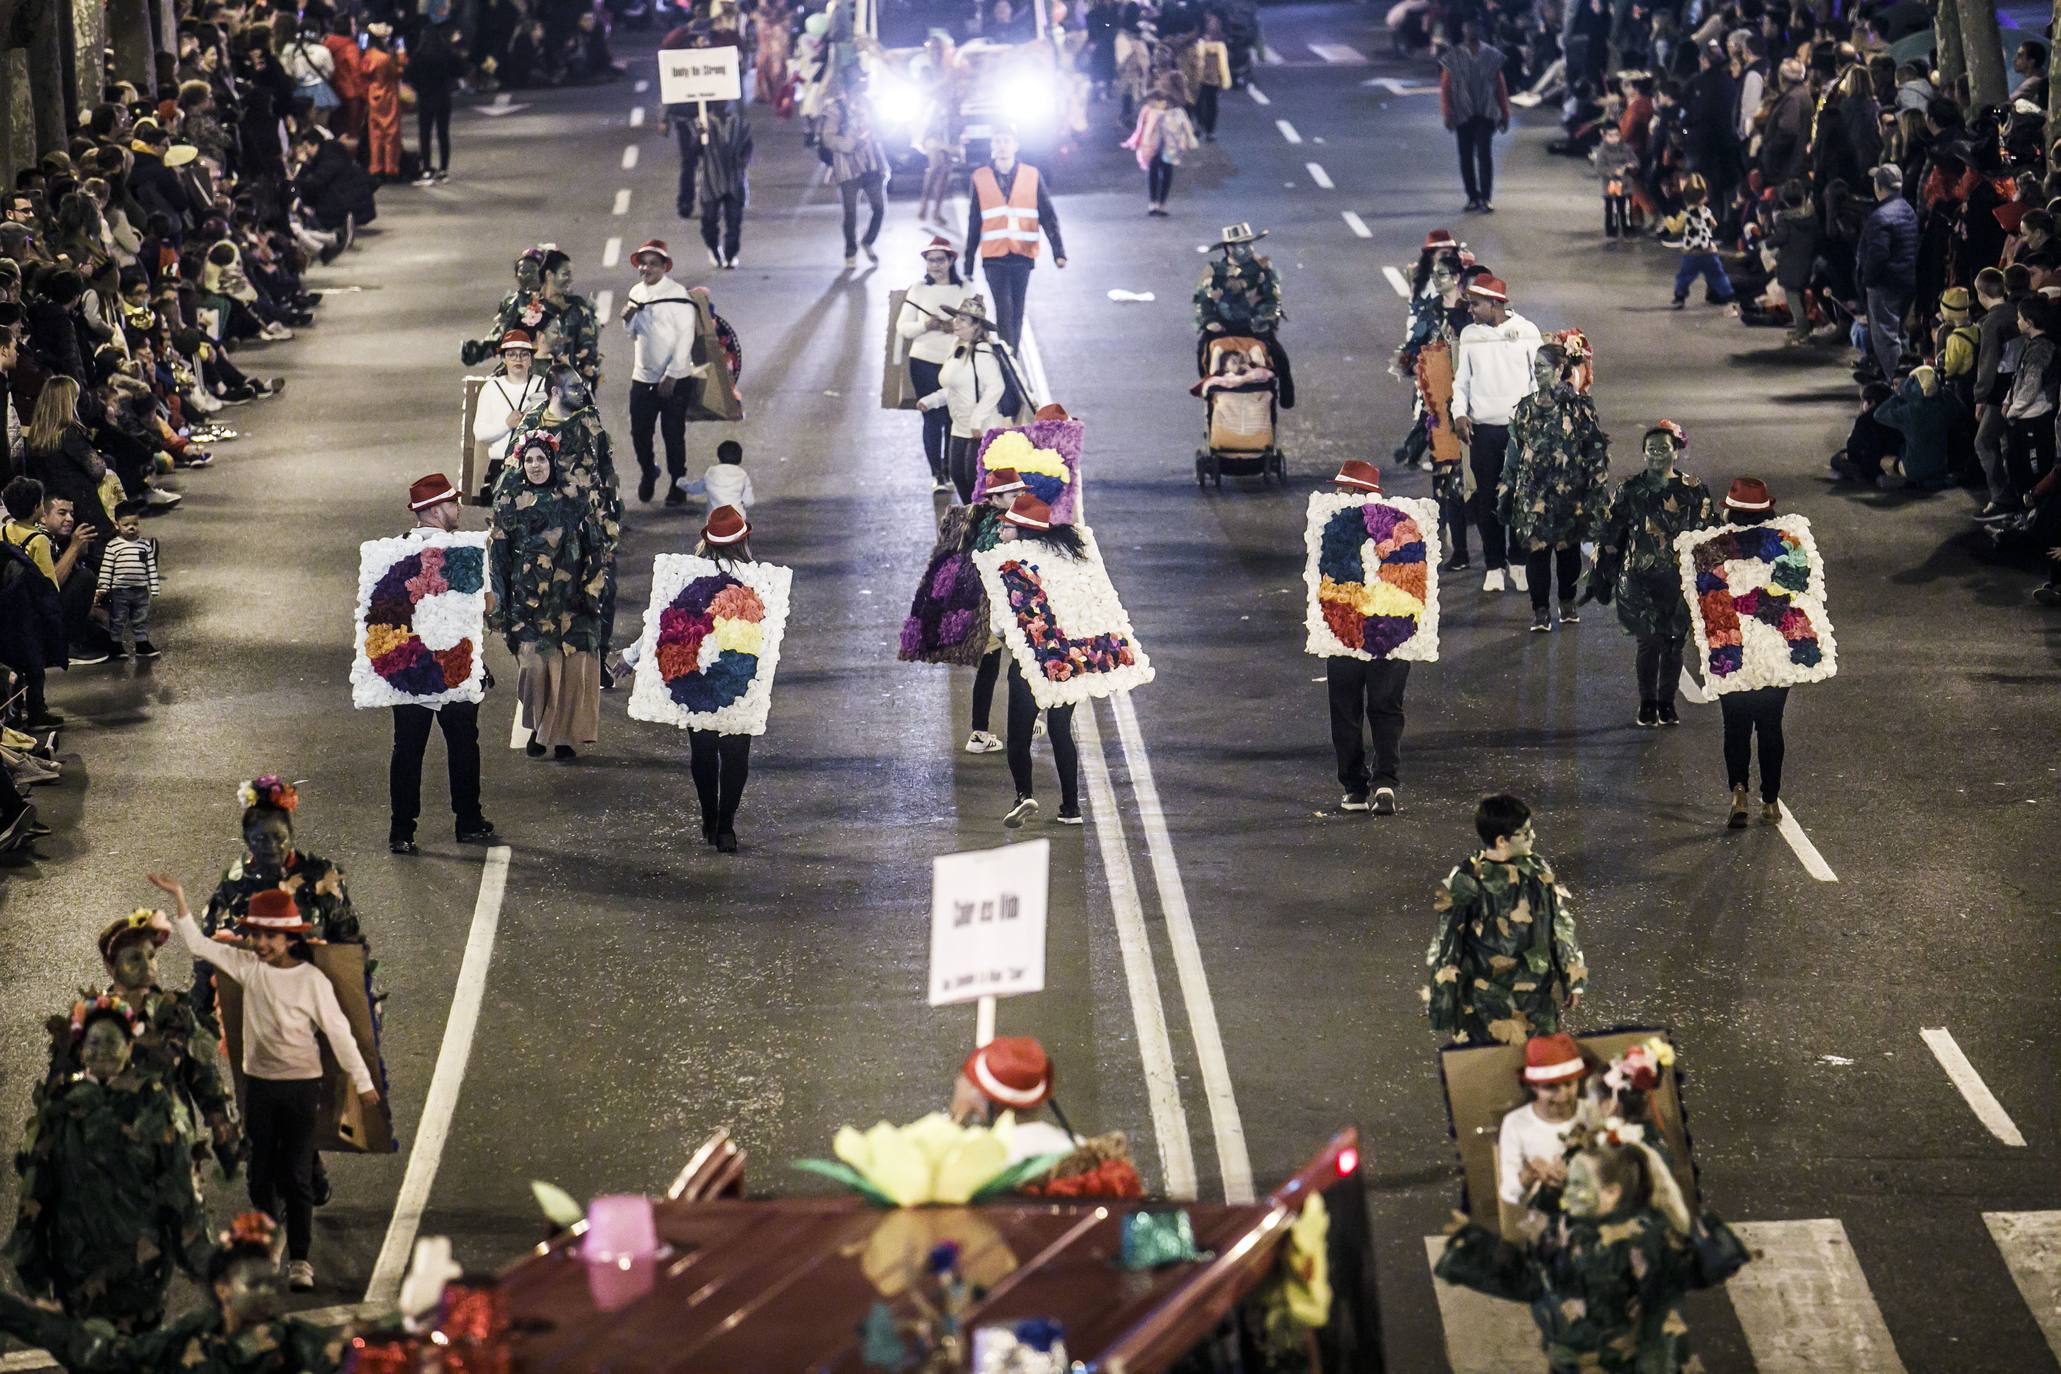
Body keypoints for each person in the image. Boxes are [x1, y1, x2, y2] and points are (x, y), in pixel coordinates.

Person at [158, 873, 378, 1294]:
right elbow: (200, 947)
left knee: (296, 1173)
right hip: (259, 1086)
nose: (260, 944)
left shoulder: (312, 982)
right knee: (259, 1173)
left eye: (269, 937)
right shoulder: (247, 968)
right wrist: (181, 900)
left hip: (301, 1088)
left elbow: (338, 1034)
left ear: (289, 939)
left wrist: (364, 1084)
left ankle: (299, 1257)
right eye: (256, 935)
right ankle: (272, 1231)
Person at [1436, 1140, 1749, 1372]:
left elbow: (1534, 1283)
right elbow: (1532, 1277)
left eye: (1577, 1185)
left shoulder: (1632, 1242)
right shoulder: (1577, 1231)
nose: (1567, 1193)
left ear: (1611, 1192)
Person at [7, 994, 212, 1332]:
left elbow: (180, 1187)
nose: (103, 1050)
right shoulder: (61, 1110)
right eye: (94, 1041)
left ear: (131, 1048)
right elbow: (36, 1191)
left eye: (113, 1041)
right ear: (81, 1050)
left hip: (142, 1275)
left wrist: (202, 1258)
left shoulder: (156, 1105)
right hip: (78, 1275)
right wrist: (31, 1265)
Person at [0, 1211, 355, 1373]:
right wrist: (45, 1324)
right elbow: (108, 1357)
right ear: (222, 1288)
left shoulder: (296, 1343)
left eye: (267, 1277)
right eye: (251, 1277)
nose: (263, 1289)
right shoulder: (187, 1340)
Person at [67, 906, 240, 1176]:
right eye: (134, 959)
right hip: (114, 1160)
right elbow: (68, 1090)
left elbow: (203, 1075)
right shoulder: (90, 1021)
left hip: (174, 1154)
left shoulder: (176, 1014)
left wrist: (221, 1127)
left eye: (151, 956)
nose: (147, 966)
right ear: (110, 967)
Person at [388, 475, 498, 855]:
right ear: (435, 509)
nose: (458, 508)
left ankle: (402, 830)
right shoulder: (466, 551)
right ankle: (468, 821)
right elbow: (486, 605)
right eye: (453, 503)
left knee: (407, 749)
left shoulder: (396, 551)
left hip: (411, 667)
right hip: (455, 665)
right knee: (463, 744)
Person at [1424, 793, 1586, 1046]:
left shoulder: (1537, 871)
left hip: (1535, 997)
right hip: (1485, 1002)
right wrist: (1443, 1001)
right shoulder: (1468, 879)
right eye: (1525, 832)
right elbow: (1448, 940)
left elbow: (1559, 925)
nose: (1533, 837)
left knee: (1539, 1070)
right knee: (1489, 1073)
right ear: (1502, 840)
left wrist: (1573, 978)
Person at [1587, 421, 1717, 727]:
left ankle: (1667, 702)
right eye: (1651, 449)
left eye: (1663, 448)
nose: (1657, 454)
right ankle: (1647, 702)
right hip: (1638, 581)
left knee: (1673, 643)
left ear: (1676, 452)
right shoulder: (1630, 490)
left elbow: (1708, 533)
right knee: (1648, 643)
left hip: (1679, 581)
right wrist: (1602, 570)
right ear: (1644, 454)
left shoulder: (1694, 490)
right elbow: (1611, 534)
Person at [490, 432, 606, 761]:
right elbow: (498, 557)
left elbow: (594, 547)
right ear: (520, 463)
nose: (535, 465)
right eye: (529, 460)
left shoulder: (574, 500)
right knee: (534, 669)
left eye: (541, 459)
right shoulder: (509, 502)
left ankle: (561, 735)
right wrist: (501, 604)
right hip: (528, 604)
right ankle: (539, 725)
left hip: (571, 602)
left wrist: (591, 592)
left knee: (569, 670)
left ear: (552, 461)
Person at [1323, 460, 1412, 817]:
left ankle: (1356, 788)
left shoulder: (1333, 530)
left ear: (1360, 495)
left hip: (1348, 632)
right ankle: (1385, 782)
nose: (1336, 495)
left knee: (1346, 710)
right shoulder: (1399, 530)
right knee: (1385, 707)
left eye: (1342, 490)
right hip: (1387, 632)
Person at [1498, 342, 1608, 631]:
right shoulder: (1524, 408)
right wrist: (1507, 487)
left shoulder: (1580, 408)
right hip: (1533, 495)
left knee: (1568, 553)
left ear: (1560, 370)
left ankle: (1567, 600)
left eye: (1542, 367)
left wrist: (1596, 489)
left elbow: (1594, 450)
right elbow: (1514, 450)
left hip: (1569, 495)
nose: (1537, 372)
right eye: (1534, 367)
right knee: (1537, 552)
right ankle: (1540, 610)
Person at [1709, 476, 1796, 830]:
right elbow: (1796, 597)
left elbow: (1707, 603)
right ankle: (1771, 800)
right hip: (1774, 651)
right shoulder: (1786, 547)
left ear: (1729, 513)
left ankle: (1739, 792)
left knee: (1735, 728)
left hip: (1732, 650)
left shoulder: (1713, 550)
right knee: (1771, 727)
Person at [995, 492, 1083, 829]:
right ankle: (1071, 807)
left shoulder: (1012, 572)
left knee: (1018, 736)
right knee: (1061, 731)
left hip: (1029, 666)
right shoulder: (1068, 565)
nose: (1003, 529)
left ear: (1022, 531)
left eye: (1008, 526)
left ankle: (1023, 795)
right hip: (1065, 663)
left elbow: (1001, 628)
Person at [1451, 273, 1540, 592]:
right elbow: (1461, 381)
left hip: (1519, 431)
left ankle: (1518, 561)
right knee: (1487, 497)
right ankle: (1493, 564)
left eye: (1475, 304)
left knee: (1517, 498)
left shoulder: (1527, 331)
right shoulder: (1470, 335)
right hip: (1483, 431)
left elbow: (1538, 379)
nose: (1471, 310)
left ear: (1495, 303)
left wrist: (1536, 419)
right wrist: (1459, 414)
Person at [688, 505, 759, 853]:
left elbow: (664, 623)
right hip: (740, 677)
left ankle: (709, 817)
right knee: (734, 754)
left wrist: (629, 658)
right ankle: (726, 826)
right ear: (744, 541)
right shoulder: (760, 581)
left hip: (697, 676)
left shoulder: (689, 576)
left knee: (703, 752)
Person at [962, 125, 1067, 349]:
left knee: (1017, 309)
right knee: (1004, 308)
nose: (1002, 146)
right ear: (992, 146)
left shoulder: (1031, 175)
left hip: (1022, 253)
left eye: (1006, 141)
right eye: (997, 141)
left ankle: (1012, 358)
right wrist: (968, 262)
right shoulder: (980, 177)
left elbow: (1048, 215)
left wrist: (1059, 252)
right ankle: (1008, 359)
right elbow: (974, 221)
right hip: (994, 256)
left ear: (1015, 146)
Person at [918, 295, 1016, 502]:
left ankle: (982, 527)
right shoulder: (957, 347)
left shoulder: (982, 352)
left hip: (981, 428)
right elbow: (955, 387)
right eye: (956, 318)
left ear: (976, 326)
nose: (956, 322)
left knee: (976, 482)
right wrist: (932, 400)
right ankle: (972, 523)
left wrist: (977, 420)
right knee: (959, 476)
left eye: (963, 320)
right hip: (960, 425)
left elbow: (995, 387)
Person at [620, 240, 696, 505]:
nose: (646, 268)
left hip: (674, 380)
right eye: (643, 263)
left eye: (653, 263)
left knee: (673, 433)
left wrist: (673, 375)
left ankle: (678, 484)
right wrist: (628, 318)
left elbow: (686, 337)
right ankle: (648, 471)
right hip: (642, 378)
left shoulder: (678, 295)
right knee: (639, 433)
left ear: (664, 266)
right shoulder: (636, 292)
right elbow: (633, 334)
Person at [898, 234, 974, 491]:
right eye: (931, 261)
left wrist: (955, 327)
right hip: (923, 362)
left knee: (955, 418)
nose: (935, 265)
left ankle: (951, 469)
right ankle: (938, 475)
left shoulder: (965, 289)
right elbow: (904, 328)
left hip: (956, 362)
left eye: (940, 260)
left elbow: (978, 323)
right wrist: (925, 325)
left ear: (951, 261)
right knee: (932, 418)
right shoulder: (918, 289)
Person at [1193, 222, 1293, 407]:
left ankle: (1285, 398)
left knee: (1279, 357)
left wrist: (1264, 318)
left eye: (1247, 243)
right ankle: (1209, 394)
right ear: (1228, 247)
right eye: (1239, 245)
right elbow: (1202, 301)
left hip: (1255, 325)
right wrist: (1209, 321)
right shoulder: (1214, 271)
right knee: (1202, 351)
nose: (1245, 248)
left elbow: (1273, 299)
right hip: (1223, 326)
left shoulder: (1263, 269)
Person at [949, 1036, 1076, 1162]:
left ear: (977, 1094)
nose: (957, 1082)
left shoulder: (969, 1161)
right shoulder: (1074, 1150)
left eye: (963, 1077)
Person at [1498, 1033, 1586, 1210]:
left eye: (1569, 1085)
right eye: (1551, 1087)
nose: (1562, 1096)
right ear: (1534, 1087)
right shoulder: (1515, 1123)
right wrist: (1528, 1177)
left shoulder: (1593, 1112)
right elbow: (1508, 1193)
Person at [1439, 15, 1510, 214]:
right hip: (1462, 113)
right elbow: (1445, 87)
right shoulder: (1453, 56)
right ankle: (1472, 196)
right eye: (1468, 26)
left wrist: (1504, 114)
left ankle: (1486, 197)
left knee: (1485, 155)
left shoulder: (1491, 55)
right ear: (1463, 29)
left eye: (1475, 26)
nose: (1471, 30)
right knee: (1466, 156)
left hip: (1486, 112)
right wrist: (1447, 113)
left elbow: (1500, 86)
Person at [1853, 163, 1917, 384]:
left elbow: (1878, 255)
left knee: (1886, 337)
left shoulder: (1881, 216)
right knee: (1900, 334)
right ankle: (1908, 378)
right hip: (1906, 279)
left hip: (1885, 283)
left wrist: (1867, 280)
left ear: (1879, 186)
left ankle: (1897, 384)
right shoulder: (1908, 209)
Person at [471, 328, 546, 493]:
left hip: (539, 466)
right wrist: (506, 424)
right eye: (512, 354)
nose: (518, 359)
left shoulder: (543, 385)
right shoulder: (491, 388)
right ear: (504, 359)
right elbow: (480, 433)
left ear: (531, 360)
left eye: (524, 354)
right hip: (502, 467)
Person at [823, 90, 888, 268]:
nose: (862, 83)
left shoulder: (867, 103)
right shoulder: (837, 109)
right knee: (850, 213)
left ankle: (868, 241)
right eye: (858, 79)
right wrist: (849, 144)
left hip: (871, 165)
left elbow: (879, 130)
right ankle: (850, 252)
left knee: (879, 208)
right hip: (847, 168)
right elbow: (827, 138)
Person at [1121, 73, 1198, 217]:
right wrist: (1142, 142)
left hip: (1169, 146)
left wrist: (1187, 140)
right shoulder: (1149, 109)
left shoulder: (1175, 109)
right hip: (1154, 146)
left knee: (1165, 170)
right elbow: (1142, 128)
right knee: (1154, 170)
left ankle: (1161, 203)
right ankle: (1154, 203)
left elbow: (1185, 124)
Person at [93, 499, 160, 658]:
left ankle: (142, 643)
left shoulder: (144, 545)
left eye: (135, 524)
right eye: (126, 525)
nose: (132, 528)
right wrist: (103, 588)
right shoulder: (113, 546)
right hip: (120, 590)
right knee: (118, 618)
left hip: (141, 589)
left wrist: (154, 585)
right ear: (117, 525)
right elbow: (107, 568)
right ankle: (116, 644)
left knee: (140, 617)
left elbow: (150, 566)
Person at [692, 100, 754, 270]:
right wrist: (699, 137)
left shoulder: (739, 123)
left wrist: (743, 161)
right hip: (711, 180)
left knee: (734, 221)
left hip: (734, 179)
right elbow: (692, 153)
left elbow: (748, 145)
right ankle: (713, 248)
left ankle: (730, 254)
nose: (723, 105)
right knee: (709, 220)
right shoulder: (703, 124)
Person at [410, 23, 464, 184]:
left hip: (425, 98)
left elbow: (408, 75)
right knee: (443, 134)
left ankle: (426, 168)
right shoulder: (446, 53)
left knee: (425, 135)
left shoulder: (418, 55)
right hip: (442, 97)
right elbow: (460, 69)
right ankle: (443, 169)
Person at [1668, 177, 1733, 309]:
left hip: (1691, 253)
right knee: (1717, 275)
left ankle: (1680, 297)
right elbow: (1714, 225)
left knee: (1684, 276)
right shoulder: (1707, 212)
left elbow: (1676, 229)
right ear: (1704, 196)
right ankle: (1728, 295)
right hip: (1709, 251)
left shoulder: (1685, 215)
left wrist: (1668, 220)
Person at [362, 26, 405, 184]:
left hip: (373, 95)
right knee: (391, 133)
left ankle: (375, 167)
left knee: (375, 134)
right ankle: (391, 168)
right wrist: (401, 57)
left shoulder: (367, 56)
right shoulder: (385, 58)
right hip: (388, 95)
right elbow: (397, 73)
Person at [679, 438, 756, 511]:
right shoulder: (743, 475)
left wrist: (681, 483)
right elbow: (749, 501)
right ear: (740, 459)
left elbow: (695, 488)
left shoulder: (711, 472)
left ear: (719, 457)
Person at [1591, 125, 1637, 240]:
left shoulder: (1626, 148)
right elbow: (1599, 167)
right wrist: (1612, 172)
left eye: (1616, 135)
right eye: (1610, 136)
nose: (1614, 139)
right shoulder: (1602, 151)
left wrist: (1631, 166)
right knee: (1611, 209)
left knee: (1626, 209)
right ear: (1605, 136)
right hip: (1610, 187)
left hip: (1625, 185)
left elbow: (1635, 161)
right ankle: (1611, 230)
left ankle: (1627, 229)